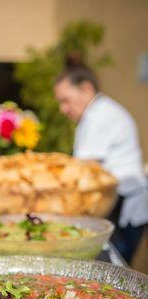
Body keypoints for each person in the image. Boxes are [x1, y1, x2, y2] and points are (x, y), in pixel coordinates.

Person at [54, 60, 148, 263]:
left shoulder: (99, 116)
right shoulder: (97, 112)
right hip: (119, 201)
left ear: (86, 88)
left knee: (112, 268)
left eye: (66, 100)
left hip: (123, 205)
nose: (63, 109)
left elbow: (84, 170)